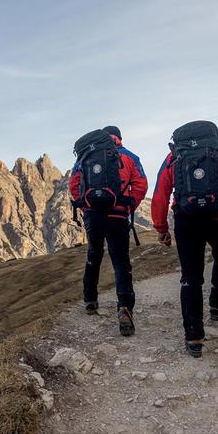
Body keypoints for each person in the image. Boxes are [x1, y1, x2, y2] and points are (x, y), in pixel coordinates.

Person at [150, 120, 218, 357]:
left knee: (191, 277)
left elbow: (160, 195)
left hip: (187, 221)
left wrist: (161, 228)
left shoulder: (173, 156)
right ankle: (217, 305)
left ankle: (194, 337)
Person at [69, 126, 148, 336]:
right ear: (119, 138)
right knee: (120, 261)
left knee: (94, 254)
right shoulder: (129, 156)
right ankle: (124, 307)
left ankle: (90, 301)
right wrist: (128, 205)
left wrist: (86, 205)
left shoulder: (87, 154)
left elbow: (74, 183)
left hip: (93, 214)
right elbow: (141, 184)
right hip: (117, 214)